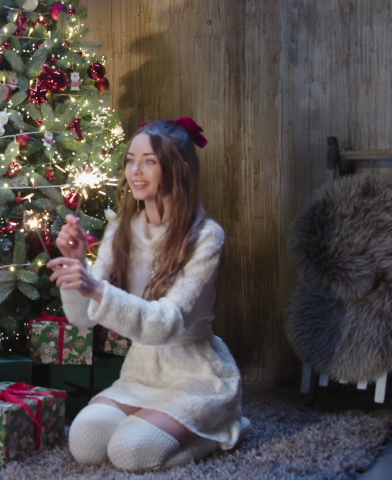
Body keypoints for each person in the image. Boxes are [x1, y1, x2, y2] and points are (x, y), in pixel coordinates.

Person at [47, 118, 250, 471]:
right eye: (130, 160)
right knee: (85, 442)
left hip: (194, 376)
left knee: (130, 451)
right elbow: (81, 318)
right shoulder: (120, 230)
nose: (135, 171)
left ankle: (222, 427)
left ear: (180, 169)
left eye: (149, 161)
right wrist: (78, 266)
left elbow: (168, 323)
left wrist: (95, 286)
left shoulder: (206, 236)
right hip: (141, 373)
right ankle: (160, 424)